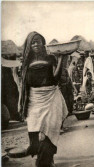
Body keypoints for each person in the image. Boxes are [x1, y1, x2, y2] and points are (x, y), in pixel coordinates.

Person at [20, 32, 68, 167]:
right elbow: (24, 85)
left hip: (51, 97)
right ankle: (45, 159)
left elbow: (56, 78)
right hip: (34, 101)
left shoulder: (50, 58)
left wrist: (61, 60)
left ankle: (44, 161)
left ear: (43, 42)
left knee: (49, 131)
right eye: (33, 42)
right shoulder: (26, 62)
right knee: (35, 132)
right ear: (29, 45)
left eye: (38, 41)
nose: (36, 44)